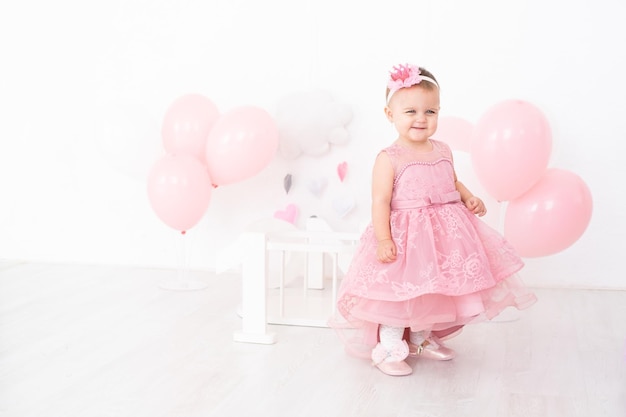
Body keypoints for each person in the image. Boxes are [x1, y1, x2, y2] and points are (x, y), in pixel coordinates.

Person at [329, 63, 537, 376]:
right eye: (410, 111)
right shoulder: (390, 157)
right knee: (398, 296)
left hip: (444, 237)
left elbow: (451, 180)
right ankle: (387, 347)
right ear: (390, 115)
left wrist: (467, 196)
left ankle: (420, 339)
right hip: (406, 239)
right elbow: (381, 201)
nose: (421, 119)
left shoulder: (442, 149)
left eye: (430, 112)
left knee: (433, 292)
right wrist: (385, 239)